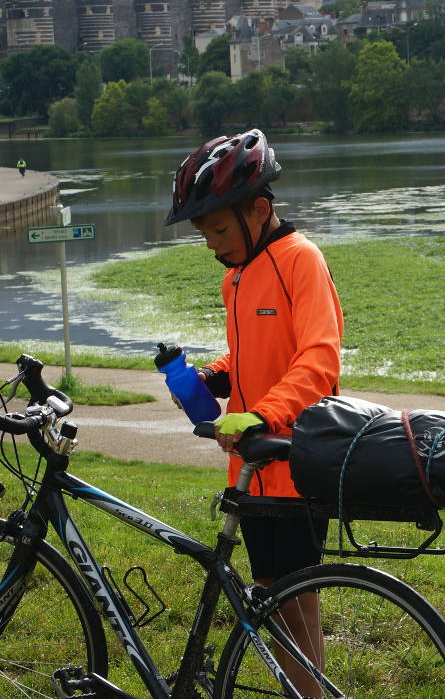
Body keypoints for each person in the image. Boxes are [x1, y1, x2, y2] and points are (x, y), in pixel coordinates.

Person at [164, 128, 342, 695]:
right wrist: (213, 378)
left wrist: (263, 414)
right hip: (250, 467)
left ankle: (313, 694)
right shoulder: (235, 277)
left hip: (294, 458)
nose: (213, 243)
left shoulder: (299, 260)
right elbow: (252, 355)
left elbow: (318, 360)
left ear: (259, 209)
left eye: (219, 228)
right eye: (204, 233)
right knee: (267, 593)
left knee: (296, 601)